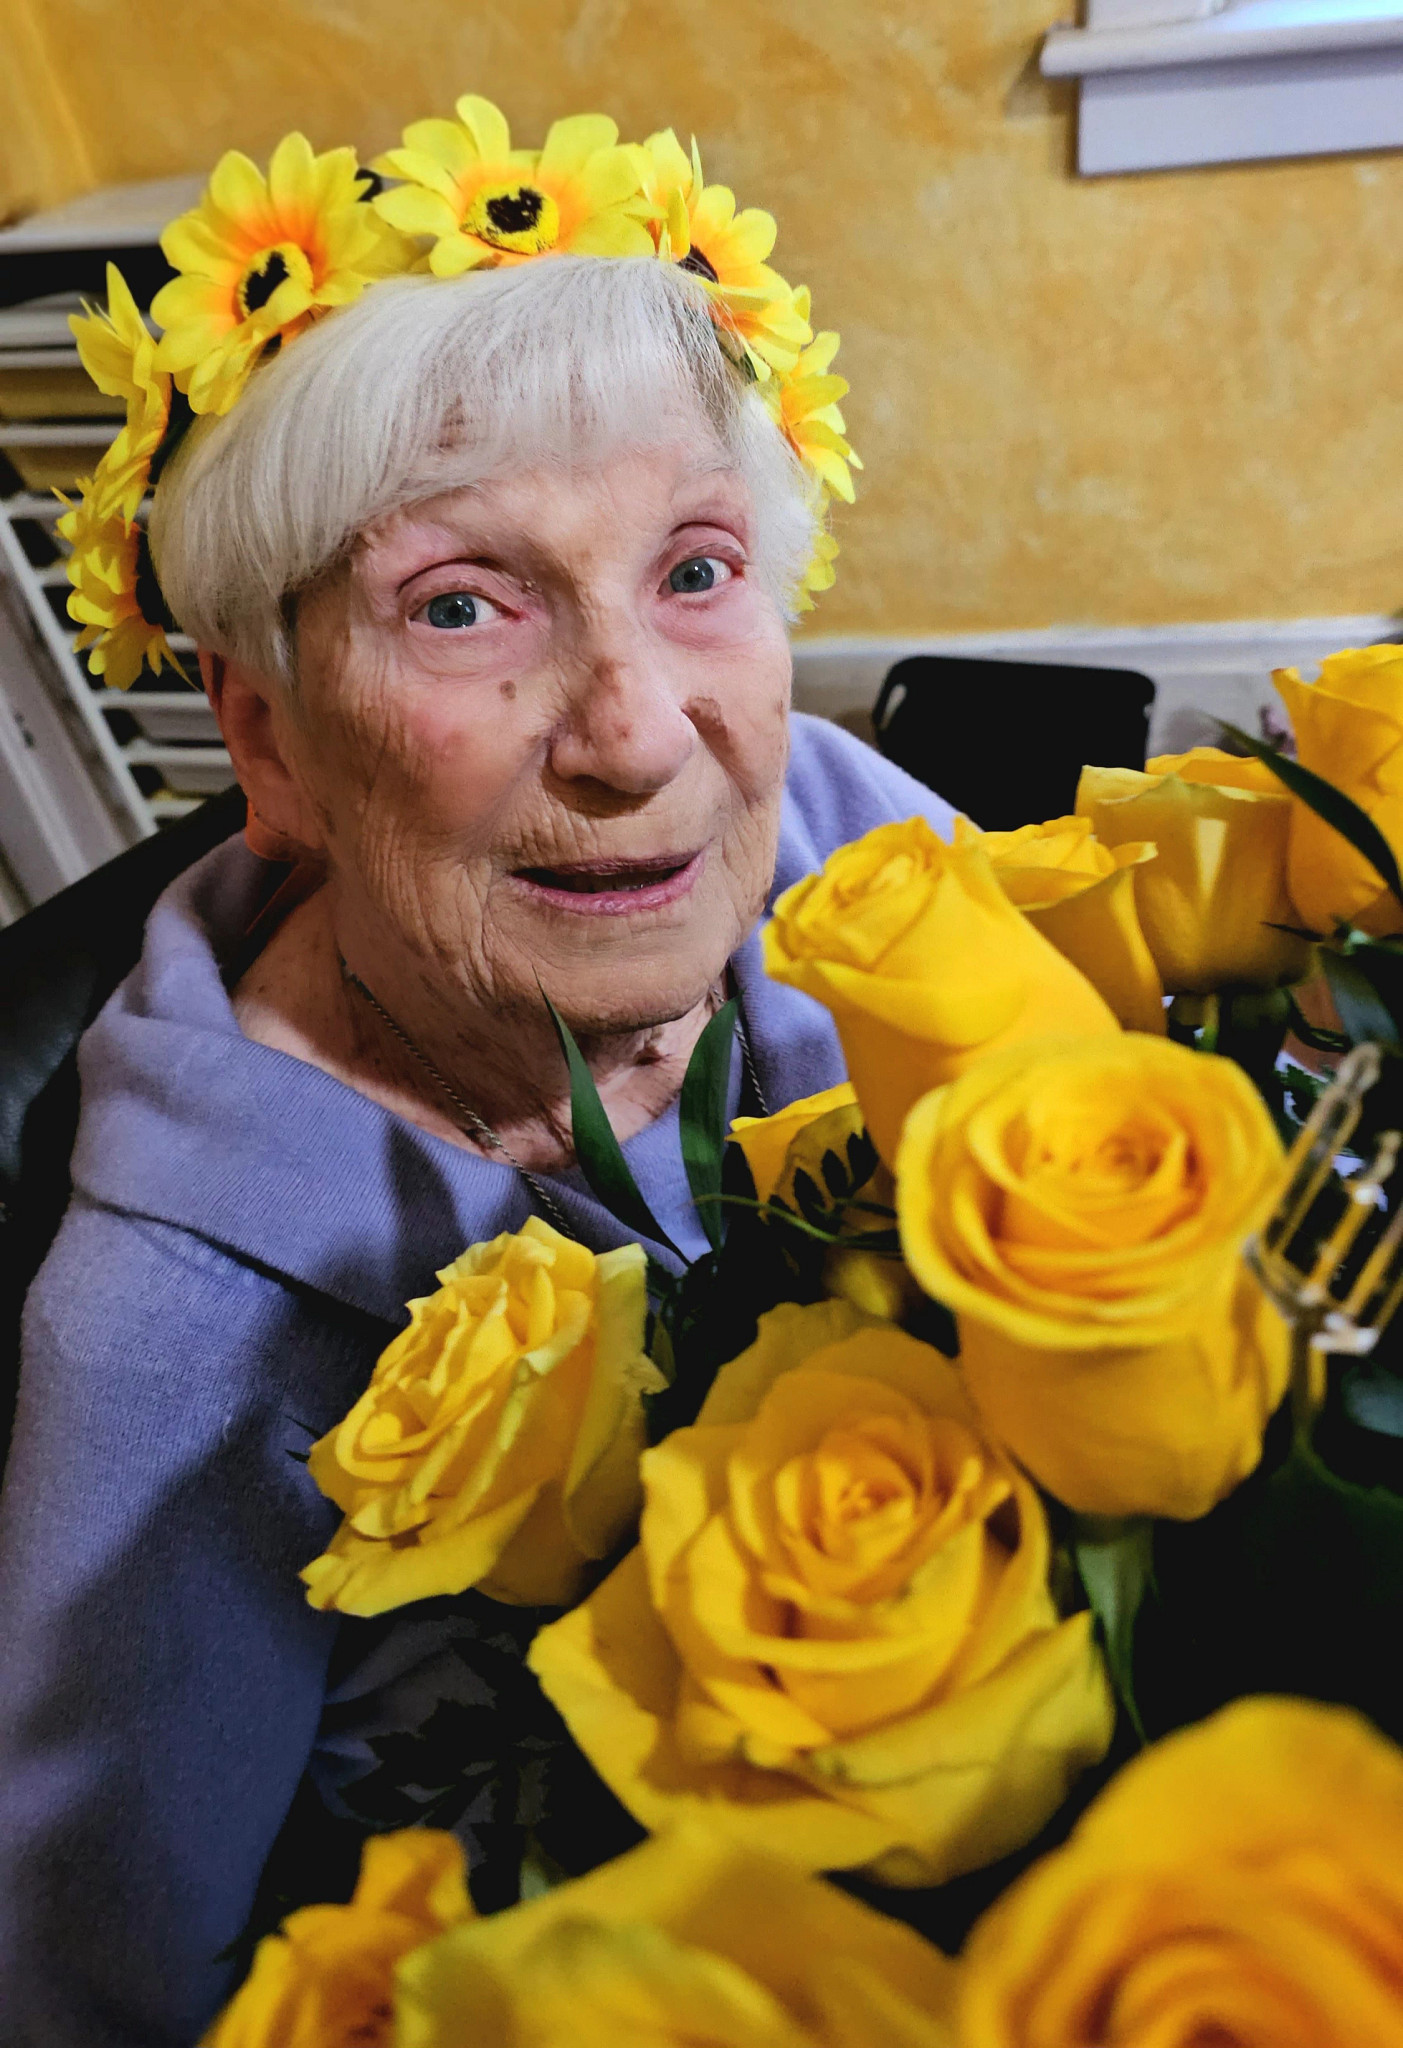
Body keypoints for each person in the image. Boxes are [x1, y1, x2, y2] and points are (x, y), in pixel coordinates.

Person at [0, 125, 954, 2047]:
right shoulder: (167, 1355)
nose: (635, 734)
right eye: (463, 606)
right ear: (265, 737)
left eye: (695, 570)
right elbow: (91, 1994)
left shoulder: (856, 846)